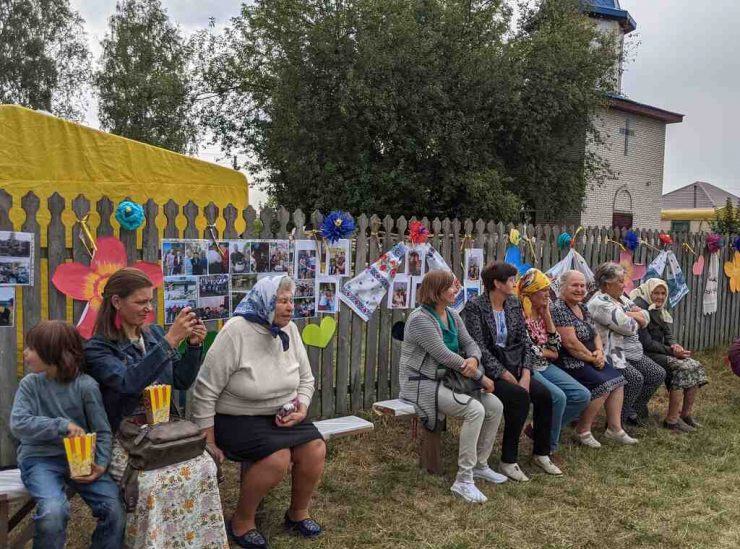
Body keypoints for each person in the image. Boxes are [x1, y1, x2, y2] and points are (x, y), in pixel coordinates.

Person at [84, 267, 227, 548]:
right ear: (116, 302)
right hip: (123, 437)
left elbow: (183, 381)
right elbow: (127, 382)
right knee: (151, 482)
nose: (148, 309)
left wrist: (194, 346)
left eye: (150, 301)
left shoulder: (153, 335)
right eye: (140, 302)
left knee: (204, 467)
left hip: (163, 430)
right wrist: (170, 341)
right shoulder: (99, 349)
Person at [192, 276, 326, 548]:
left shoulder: (290, 330)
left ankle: (297, 513)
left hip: (282, 413)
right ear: (264, 301)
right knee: (277, 458)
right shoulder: (236, 331)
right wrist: (208, 441)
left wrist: (301, 407)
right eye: (281, 301)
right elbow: (204, 390)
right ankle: (242, 520)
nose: (290, 308)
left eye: (291, 301)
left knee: (315, 448)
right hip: (235, 418)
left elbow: (306, 379)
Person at [11, 320, 125, 549]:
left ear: (51, 352)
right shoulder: (29, 385)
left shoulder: (86, 386)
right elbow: (18, 423)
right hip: (39, 460)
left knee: (115, 509)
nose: (25, 353)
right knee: (53, 511)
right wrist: (61, 425)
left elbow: (102, 430)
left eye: (31, 348)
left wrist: (101, 464)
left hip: (81, 463)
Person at [399, 270, 505, 503]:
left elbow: (470, 344)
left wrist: (474, 359)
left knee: (495, 406)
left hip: (450, 379)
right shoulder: (419, 320)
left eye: (456, 285)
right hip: (421, 383)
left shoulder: (452, 315)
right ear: (436, 291)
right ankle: (463, 480)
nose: (456, 290)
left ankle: (479, 465)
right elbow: (445, 356)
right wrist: (481, 377)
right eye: (451, 287)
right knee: (474, 409)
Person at [464, 262, 561, 479]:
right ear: (497, 284)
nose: (514, 284)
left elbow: (524, 342)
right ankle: (508, 460)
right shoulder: (475, 307)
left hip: (515, 364)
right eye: (510, 280)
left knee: (544, 395)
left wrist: (526, 372)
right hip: (489, 370)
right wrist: (504, 374)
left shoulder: (514, 305)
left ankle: (541, 452)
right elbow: (478, 346)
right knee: (518, 398)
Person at [550, 270, 635, 447]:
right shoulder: (558, 308)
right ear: (562, 287)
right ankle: (583, 430)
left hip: (589, 356)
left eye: (582, 285)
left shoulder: (582, 306)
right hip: (569, 361)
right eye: (575, 285)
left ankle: (614, 428)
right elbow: (570, 344)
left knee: (618, 380)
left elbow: (595, 333)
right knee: (603, 385)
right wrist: (593, 358)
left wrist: (599, 351)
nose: (580, 289)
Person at [517, 268, 591, 464]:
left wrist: (547, 315)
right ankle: (548, 447)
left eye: (549, 290)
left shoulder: (542, 314)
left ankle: (538, 428)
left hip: (545, 365)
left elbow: (555, 347)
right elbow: (530, 351)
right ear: (531, 293)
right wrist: (546, 351)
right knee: (557, 397)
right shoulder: (519, 316)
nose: (548, 295)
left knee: (581, 395)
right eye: (543, 290)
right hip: (528, 367)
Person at [587, 262, 666, 427]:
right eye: (620, 281)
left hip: (629, 351)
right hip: (610, 353)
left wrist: (627, 314)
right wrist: (635, 318)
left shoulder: (621, 297)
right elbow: (629, 328)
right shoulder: (599, 303)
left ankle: (632, 411)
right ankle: (616, 424)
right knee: (635, 379)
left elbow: (646, 317)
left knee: (657, 374)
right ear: (607, 284)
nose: (624, 285)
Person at [630, 278, 708, 431]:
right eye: (656, 293)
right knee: (682, 367)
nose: (660, 297)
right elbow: (646, 343)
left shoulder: (659, 308)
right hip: (643, 354)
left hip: (658, 351)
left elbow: (667, 332)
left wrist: (674, 344)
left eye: (663, 293)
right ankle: (672, 420)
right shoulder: (640, 308)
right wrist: (672, 352)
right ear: (648, 291)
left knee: (694, 365)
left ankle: (685, 414)